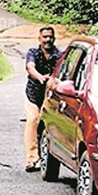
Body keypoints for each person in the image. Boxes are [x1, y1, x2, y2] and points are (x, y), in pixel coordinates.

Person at [22, 26, 61, 172]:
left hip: (50, 97)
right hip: (33, 94)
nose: (47, 40)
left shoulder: (59, 55)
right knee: (33, 120)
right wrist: (39, 77)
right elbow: (30, 67)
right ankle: (31, 159)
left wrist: (51, 79)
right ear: (40, 39)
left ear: (54, 38)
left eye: (50, 37)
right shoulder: (33, 52)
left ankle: (49, 157)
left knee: (47, 125)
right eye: (45, 37)